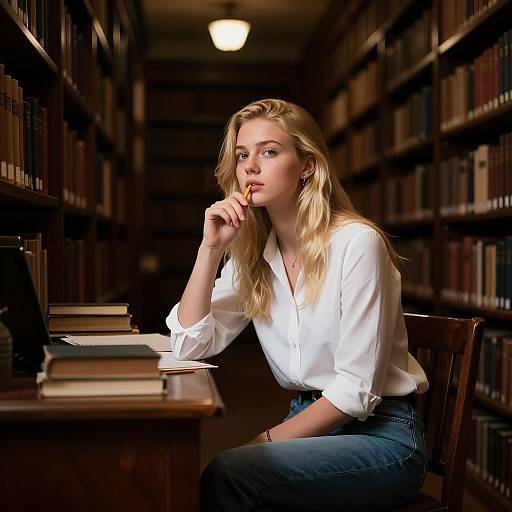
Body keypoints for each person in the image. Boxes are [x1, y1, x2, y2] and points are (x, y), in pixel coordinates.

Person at [166, 98, 429, 512]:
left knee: (229, 474)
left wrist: (263, 440)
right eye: (242, 154)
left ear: (307, 164)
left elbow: (355, 392)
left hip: (382, 436)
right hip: (312, 426)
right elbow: (188, 346)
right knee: (228, 473)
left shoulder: (356, 243)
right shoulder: (254, 253)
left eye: (269, 151)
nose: (250, 166)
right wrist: (210, 249)